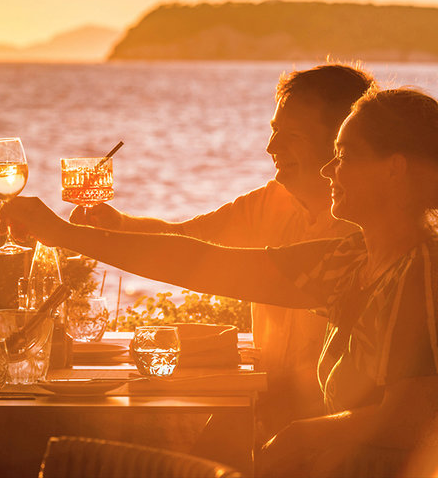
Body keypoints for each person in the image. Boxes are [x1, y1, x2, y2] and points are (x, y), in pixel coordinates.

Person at [2, 87, 438, 476]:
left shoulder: (421, 270)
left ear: (394, 169)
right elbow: (201, 261)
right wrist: (63, 233)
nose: (329, 170)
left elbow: (410, 419)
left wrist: (301, 437)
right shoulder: (350, 262)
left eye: (344, 156)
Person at [69, 63, 377, 434]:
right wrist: (118, 225)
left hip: (333, 432)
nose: (271, 147)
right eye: (274, 130)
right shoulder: (270, 202)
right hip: (263, 412)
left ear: (341, 142)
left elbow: (195, 260)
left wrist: (61, 234)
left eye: (291, 135)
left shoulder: (368, 231)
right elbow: (187, 238)